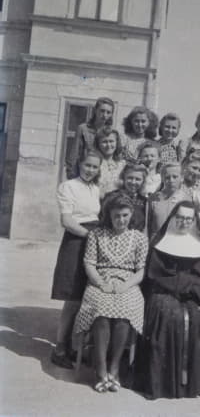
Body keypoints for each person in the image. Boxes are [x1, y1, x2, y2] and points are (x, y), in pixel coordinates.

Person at [134, 201, 200, 399]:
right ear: (173, 218)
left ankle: (195, 383)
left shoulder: (199, 246)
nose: (183, 222)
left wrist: (189, 287)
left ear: (194, 221)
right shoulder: (160, 243)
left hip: (194, 294)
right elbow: (155, 275)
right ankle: (164, 383)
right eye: (180, 218)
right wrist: (183, 284)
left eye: (188, 219)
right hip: (164, 291)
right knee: (168, 316)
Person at [73, 194, 148, 392]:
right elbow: (89, 263)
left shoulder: (139, 238)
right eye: (116, 216)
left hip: (128, 283)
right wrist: (99, 282)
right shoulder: (96, 234)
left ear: (131, 214)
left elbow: (141, 271)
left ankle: (114, 368)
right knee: (101, 309)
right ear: (109, 215)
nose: (121, 220)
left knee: (125, 309)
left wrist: (126, 285)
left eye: (125, 215)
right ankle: (100, 369)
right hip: (100, 281)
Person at [51, 149, 102, 369]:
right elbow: (67, 221)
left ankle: (73, 346)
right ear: (79, 164)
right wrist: (90, 236)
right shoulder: (68, 186)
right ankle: (60, 348)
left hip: (93, 238)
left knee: (85, 297)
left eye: (95, 167)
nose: (90, 170)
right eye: (87, 165)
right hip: (76, 240)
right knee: (72, 298)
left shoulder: (95, 189)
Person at [66, 97, 114, 179]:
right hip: (85, 172)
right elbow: (74, 155)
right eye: (102, 111)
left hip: (102, 174)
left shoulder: (111, 133)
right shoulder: (83, 129)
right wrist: (71, 174)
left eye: (108, 112)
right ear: (95, 110)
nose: (104, 115)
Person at [147, 162, 191, 241]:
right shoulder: (153, 198)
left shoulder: (186, 199)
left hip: (176, 241)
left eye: (175, 177)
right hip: (156, 242)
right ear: (162, 178)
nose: (171, 180)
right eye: (167, 177)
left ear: (182, 177)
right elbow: (147, 225)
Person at [103, 163, 148, 232]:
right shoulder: (111, 197)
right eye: (130, 178)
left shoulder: (145, 202)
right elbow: (104, 222)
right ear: (123, 178)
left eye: (138, 179)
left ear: (143, 182)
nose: (133, 182)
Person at [93, 126, 126, 199]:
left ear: (117, 143)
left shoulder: (123, 164)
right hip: (97, 202)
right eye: (104, 142)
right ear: (98, 144)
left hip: (118, 204)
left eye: (111, 141)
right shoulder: (94, 163)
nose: (108, 145)